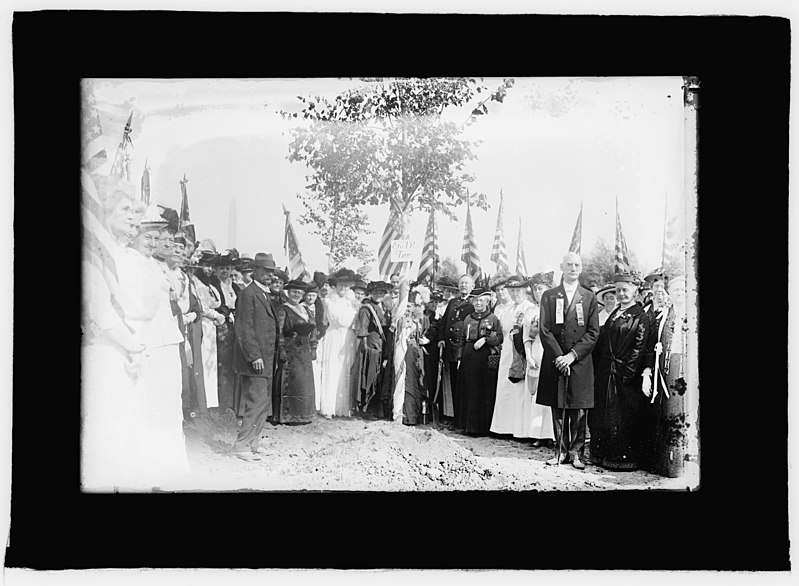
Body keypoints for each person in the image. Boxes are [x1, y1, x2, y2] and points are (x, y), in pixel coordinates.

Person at [81, 173, 150, 490]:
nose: (133, 217)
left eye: (135, 211)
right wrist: (133, 347)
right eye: (125, 210)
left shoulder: (122, 255)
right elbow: (101, 312)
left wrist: (136, 347)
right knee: (105, 434)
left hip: (128, 349)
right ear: (103, 211)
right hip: (108, 350)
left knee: (126, 431)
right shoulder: (93, 255)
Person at [126, 204, 190, 486]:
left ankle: (172, 465)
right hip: (149, 338)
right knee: (154, 405)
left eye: (156, 238)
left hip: (166, 337)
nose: (153, 243)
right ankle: (154, 466)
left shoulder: (154, 264)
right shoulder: (130, 261)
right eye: (148, 237)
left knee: (170, 404)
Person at [537, 252, 600, 470]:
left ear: (581, 268)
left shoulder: (589, 297)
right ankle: (560, 451)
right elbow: (544, 329)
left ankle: (576, 453)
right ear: (562, 266)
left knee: (579, 409)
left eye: (577, 265)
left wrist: (572, 356)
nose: (573, 268)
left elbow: (593, 332)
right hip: (555, 360)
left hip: (579, 361)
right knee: (557, 405)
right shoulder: (549, 296)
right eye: (569, 264)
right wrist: (558, 356)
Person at [590, 272, 650, 471]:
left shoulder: (640, 317)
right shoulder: (614, 313)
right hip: (606, 372)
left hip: (625, 375)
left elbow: (639, 348)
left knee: (622, 416)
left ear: (634, 290)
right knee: (603, 414)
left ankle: (621, 459)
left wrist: (628, 374)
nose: (622, 294)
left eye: (625, 290)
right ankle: (601, 454)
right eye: (618, 291)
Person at [230, 253, 282, 458]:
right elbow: (244, 328)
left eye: (271, 272)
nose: (269, 275)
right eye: (265, 271)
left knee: (262, 403)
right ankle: (241, 445)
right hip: (255, 360)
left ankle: (253, 442)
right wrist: (254, 356)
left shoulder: (264, 294)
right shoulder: (248, 294)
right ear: (255, 271)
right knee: (256, 401)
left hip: (267, 359)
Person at [642, 275, 688, 477]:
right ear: (670, 293)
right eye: (675, 290)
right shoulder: (664, 315)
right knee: (668, 412)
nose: (679, 293)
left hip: (685, 369)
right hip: (667, 369)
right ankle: (669, 465)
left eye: (682, 290)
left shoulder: (691, 313)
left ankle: (684, 465)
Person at [490, 276, 538, 438]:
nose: (515, 294)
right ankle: (503, 427)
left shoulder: (529, 308)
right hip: (507, 352)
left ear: (525, 291)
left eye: (518, 290)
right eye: (512, 291)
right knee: (505, 388)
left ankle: (520, 430)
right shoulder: (508, 309)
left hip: (522, 351)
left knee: (519, 390)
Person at [455, 288, 503, 435]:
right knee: (469, 390)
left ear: (487, 302)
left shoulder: (493, 318)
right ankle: (468, 427)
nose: (478, 303)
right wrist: (459, 357)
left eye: (482, 300)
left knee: (484, 391)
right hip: (469, 356)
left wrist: (486, 340)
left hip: (484, 356)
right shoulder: (468, 318)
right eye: (476, 300)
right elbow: (462, 339)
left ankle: (483, 428)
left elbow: (499, 337)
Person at [273, 280, 318, 424]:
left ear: (303, 294)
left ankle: (304, 415)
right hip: (290, 348)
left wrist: (314, 346)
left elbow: (314, 329)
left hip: (304, 349)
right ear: (288, 293)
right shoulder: (283, 309)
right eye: (293, 292)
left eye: (299, 292)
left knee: (304, 382)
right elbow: (278, 331)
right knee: (293, 381)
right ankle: (289, 416)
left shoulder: (306, 310)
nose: (296, 295)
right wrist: (281, 349)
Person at [318, 268, 359, 418]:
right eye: (341, 284)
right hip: (333, 336)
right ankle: (329, 408)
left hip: (348, 338)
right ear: (335, 285)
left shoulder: (354, 303)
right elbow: (323, 321)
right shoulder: (328, 301)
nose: (343, 288)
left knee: (345, 369)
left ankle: (344, 407)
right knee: (332, 370)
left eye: (347, 285)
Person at [437, 274, 476, 425]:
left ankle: (465, 420)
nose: (464, 286)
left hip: (465, 349)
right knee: (453, 383)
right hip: (451, 349)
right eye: (461, 283)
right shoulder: (453, 302)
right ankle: (456, 419)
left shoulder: (474, 302)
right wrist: (441, 338)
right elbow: (444, 322)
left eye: (467, 283)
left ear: (472, 286)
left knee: (465, 385)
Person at [390, 278, 429, 425]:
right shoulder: (399, 321)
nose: (409, 309)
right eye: (407, 306)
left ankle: (412, 415)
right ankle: (402, 414)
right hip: (402, 351)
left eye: (411, 307)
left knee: (414, 381)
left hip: (414, 353)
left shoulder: (420, 321)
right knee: (403, 380)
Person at [524, 274, 556, 446]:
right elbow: (526, 337)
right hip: (535, 351)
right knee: (535, 394)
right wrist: (528, 356)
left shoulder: (555, 309)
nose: (538, 292)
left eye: (541, 288)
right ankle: (537, 434)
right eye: (535, 289)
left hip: (550, 353)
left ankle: (551, 434)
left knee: (550, 394)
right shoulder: (530, 311)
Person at [354, 280, 392, 417]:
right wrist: (365, 347)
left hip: (383, 344)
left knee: (379, 376)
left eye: (381, 292)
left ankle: (377, 408)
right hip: (371, 344)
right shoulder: (367, 308)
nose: (378, 295)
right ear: (371, 293)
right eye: (376, 292)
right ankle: (367, 409)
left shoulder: (386, 307)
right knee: (370, 375)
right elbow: (363, 328)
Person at [194, 250, 226, 409]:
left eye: (212, 267)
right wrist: (218, 316)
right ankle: (203, 400)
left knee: (211, 362)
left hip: (212, 327)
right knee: (204, 359)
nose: (210, 270)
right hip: (203, 324)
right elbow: (202, 307)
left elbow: (217, 302)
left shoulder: (211, 285)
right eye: (207, 266)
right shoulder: (196, 283)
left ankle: (212, 401)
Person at [213, 252, 238, 411]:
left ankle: (231, 401)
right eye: (221, 268)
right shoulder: (214, 286)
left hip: (235, 327)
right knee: (222, 363)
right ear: (216, 270)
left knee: (232, 363)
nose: (224, 271)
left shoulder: (235, 287)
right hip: (221, 326)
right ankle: (222, 402)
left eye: (227, 268)